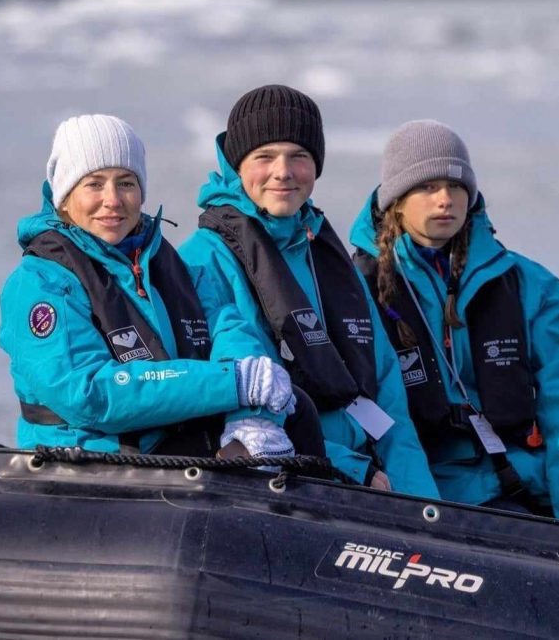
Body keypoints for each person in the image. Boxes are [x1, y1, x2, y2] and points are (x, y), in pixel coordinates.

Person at [0, 114, 325, 459]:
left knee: (298, 410)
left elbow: (232, 333)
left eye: (126, 183)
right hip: (95, 461)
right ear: (64, 196)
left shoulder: (174, 269)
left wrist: (251, 419)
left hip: (176, 449)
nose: (113, 199)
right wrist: (232, 384)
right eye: (94, 184)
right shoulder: (40, 284)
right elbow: (89, 394)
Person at [180, 85, 438, 496]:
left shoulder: (328, 256)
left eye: (299, 156)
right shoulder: (202, 260)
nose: (283, 171)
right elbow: (236, 409)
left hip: (369, 479)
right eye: (264, 157)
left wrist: (420, 504)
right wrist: (347, 470)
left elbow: (388, 393)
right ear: (236, 164)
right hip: (286, 480)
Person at [350, 119, 559, 520]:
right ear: (396, 201)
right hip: (422, 493)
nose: (445, 199)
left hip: (527, 490)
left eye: (456, 186)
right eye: (427, 186)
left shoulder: (532, 286)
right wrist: (421, 515)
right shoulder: (353, 290)